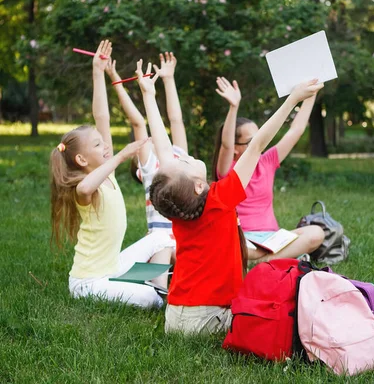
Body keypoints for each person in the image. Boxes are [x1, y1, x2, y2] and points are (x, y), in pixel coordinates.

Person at [136, 58, 323, 335]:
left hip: (173, 317)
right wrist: (292, 99)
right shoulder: (220, 199)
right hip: (207, 319)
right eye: (184, 162)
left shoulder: (177, 204)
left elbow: (163, 148)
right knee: (276, 314)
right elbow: (258, 144)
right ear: (199, 186)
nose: (182, 157)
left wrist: (149, 95)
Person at [49, 41, 171, 308]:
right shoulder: (83, 186)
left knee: (162, 238)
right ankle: (155, 294)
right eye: (97, 145)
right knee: (149, 301)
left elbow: (101, 116)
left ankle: (159, 287)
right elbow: (83, 190)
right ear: (81, 160)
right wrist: (120, 155)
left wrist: (98, 71)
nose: (105, 145)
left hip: (113, 267)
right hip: (88, 283)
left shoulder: (108, 175)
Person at [212, 77, 324, 262]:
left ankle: (264, 262)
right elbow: (225, 144)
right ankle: (277, 260)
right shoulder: (228, 171)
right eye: (251, 140)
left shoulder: (267, 161)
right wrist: (233, 107)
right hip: (243, 240)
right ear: (236, 148)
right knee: (238, 249)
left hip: (273, 238)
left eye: (259, 136)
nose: (259, 142)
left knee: (316, 233)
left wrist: (311, 93)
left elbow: (296, 130)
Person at [105, 52, 187, 269]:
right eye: (146, 142)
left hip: (184, 242)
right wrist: (117, 81)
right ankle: (158, 287)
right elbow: (138, 122)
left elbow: (176, 120)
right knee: (166, 250)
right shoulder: (153, 170)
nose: (151, 138)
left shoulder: (179, 155)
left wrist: (168, 79)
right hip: (160, 247)